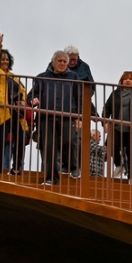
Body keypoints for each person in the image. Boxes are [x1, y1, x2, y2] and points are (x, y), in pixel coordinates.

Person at [31, 50, 86, 184]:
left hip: (67, 116)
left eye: (64, 62)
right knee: (49, 148)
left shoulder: (74, 77)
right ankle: (51, 178)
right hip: (46, 117)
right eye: (59, 61)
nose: (62, 63)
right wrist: (33, 99)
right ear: (53, 62)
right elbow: (32, 94)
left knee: (70, 140)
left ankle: (74, 167)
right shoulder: (42, 77)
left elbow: (79, 98)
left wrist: (79, 117)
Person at [0, 30, 31, 174]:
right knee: (1, 140)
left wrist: (23, 101)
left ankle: (16, 168)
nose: (5, 61)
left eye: (7, 59)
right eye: (2, 59)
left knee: (20, 139)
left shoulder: (13, 77)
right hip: (2, 111)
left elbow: (22, 91)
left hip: (16, 112)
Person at [103, 72, 132, 181]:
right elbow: (107, 107)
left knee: (131, 152)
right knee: (112, 147)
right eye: (125, 79)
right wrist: (105, 121)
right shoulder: (115, 94)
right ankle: (119, 165)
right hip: (117, 127)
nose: (128, 81)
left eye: (131, 79)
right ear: (121, 81)